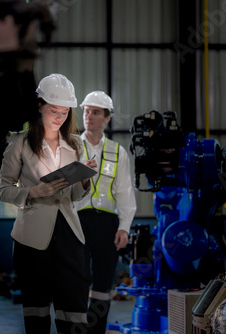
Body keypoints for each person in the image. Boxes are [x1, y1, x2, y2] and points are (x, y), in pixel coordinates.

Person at [0, 73, 97, 334]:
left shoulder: (74, 144)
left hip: (69, 234)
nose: (60, 117)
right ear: (39, 105)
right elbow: (4, 190)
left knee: (74, 309)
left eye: (65, 112)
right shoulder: (18, 143)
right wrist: (34, 191)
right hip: (32, 237)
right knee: (36, 311)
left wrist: (85, 180)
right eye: (54, 110)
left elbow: (75, 196)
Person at [76, 91, 137, 334]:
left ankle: (96, 330)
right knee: (76, 281)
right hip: (76, 221)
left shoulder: (117, 152)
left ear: (107, 118)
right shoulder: (70, 146)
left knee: (103, 283)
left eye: (95, 112)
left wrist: (124, 226)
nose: (89, 116)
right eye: (86, 111)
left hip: (107, 225)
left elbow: (124, 191)